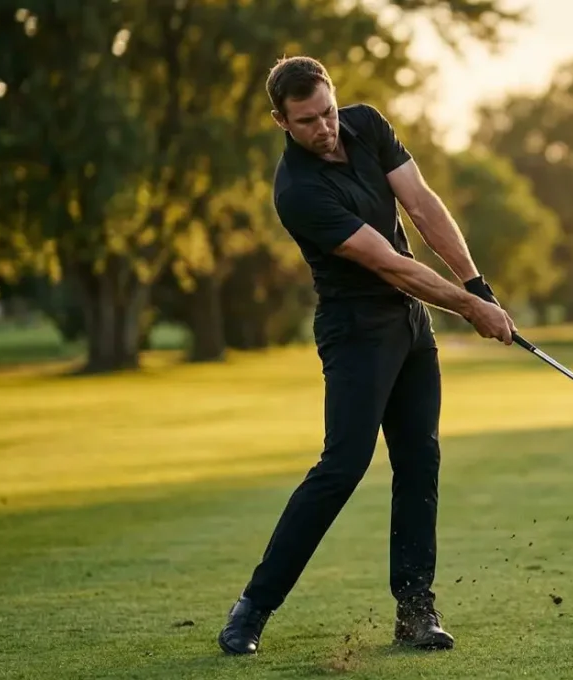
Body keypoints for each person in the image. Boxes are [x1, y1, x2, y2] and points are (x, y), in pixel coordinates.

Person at [217, 55, 517, 656]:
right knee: (342, 467)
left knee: (419, 461)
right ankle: (252, 607)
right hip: (356, 330)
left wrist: (477, 284)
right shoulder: (298, 191)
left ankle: (415, 612)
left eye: (327, 112)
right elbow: (389, 263)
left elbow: (424, 207)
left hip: (410, 326)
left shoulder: (367, 125)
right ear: (281, 121)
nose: (324, 128)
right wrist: (470, 309)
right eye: (306, 121)